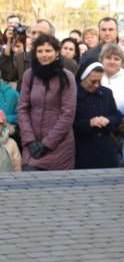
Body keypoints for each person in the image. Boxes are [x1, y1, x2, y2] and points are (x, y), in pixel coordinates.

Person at [17, 34, 77, 171]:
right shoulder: (29, 75)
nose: (44, 55)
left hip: (59, 147)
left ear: (57, 53)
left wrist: (47, 144)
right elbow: (22, 109)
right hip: (32, 144)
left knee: (55, 189)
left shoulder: (67, 77)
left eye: (48, 51)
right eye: (40, 51)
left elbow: (67, 114)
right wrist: (29, 141)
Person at [74, 61, 121, 169]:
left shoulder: (106, 93)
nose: (97, 85)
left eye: (99, 81)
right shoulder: (73, 95)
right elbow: (70, 123)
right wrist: (89, 123)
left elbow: (117, 116)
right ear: (83, 78)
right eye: (93, 81)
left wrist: (108, 120)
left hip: (106, 150)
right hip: (83, 151)